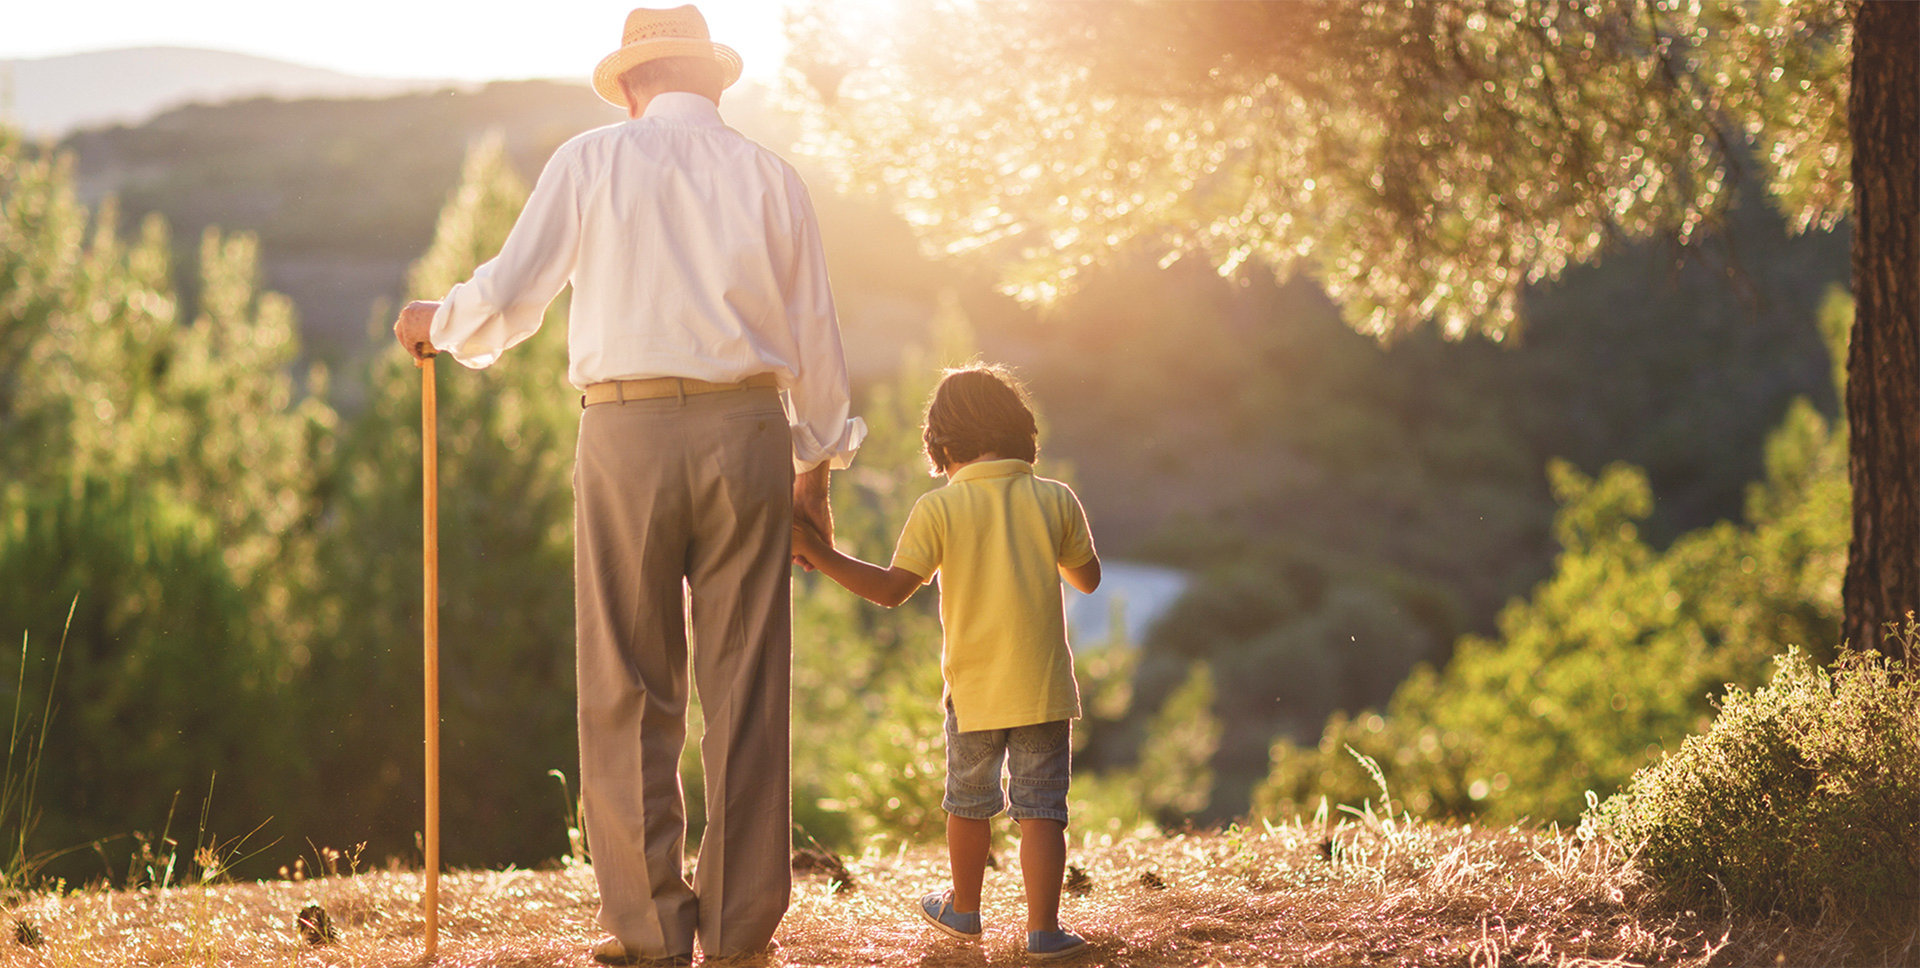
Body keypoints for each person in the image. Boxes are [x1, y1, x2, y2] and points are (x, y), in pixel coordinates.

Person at [392, 6, 864, 965]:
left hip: (624, 431)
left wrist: (437, 321)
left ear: (634, 83)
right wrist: (814, 471)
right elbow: (818, 339)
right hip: (749, 434)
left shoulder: (590, 160)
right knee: (747, 685)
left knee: (626, 681)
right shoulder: (775, 178)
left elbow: (514, 296)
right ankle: (736, 936)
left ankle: (649, 931)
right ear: (715, 81)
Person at [790, 364, 1100, 962]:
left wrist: (817, 552)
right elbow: (1087, 580)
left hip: (976, 690)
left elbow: (889, 591)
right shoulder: (1056, 498)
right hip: (1042, 689)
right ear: (1020, 435)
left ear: (943, 446)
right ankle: (1044, 932)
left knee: (968, 802)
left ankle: (963, 908)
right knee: (1041, 808)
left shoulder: (939, 509)